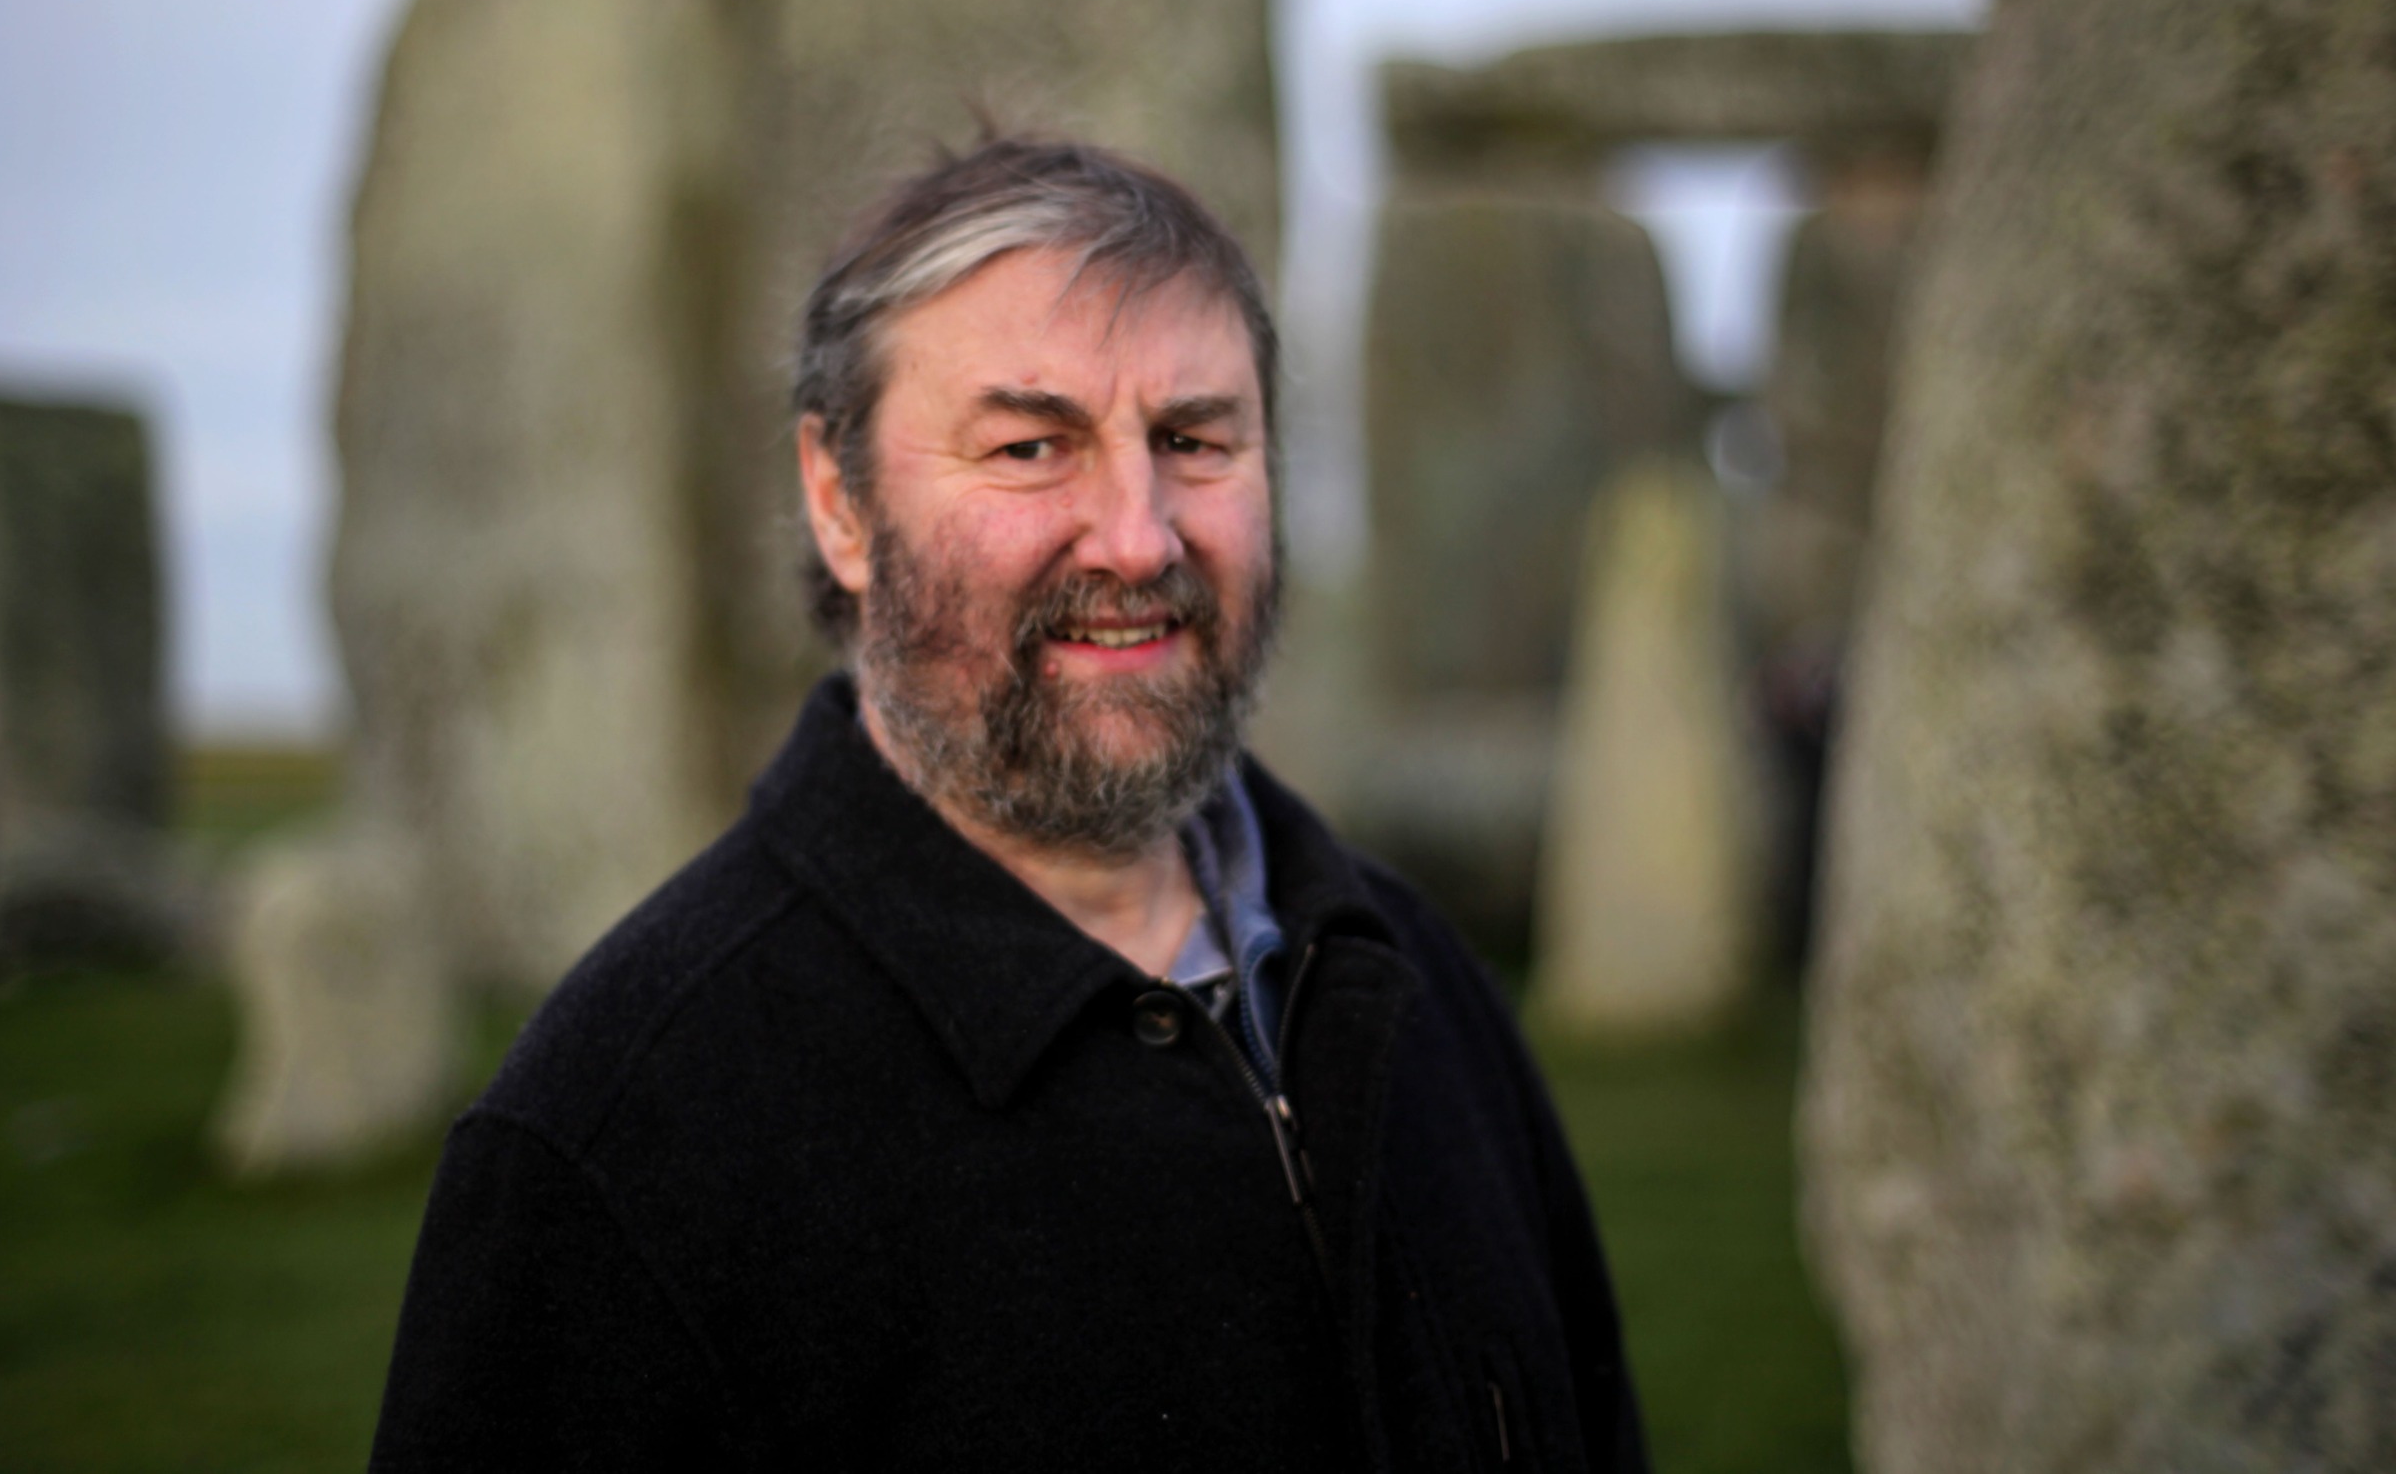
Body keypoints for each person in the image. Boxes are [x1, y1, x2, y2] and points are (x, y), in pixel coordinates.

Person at [369, 138, 1649, 1472]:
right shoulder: (625, 1137)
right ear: (840, 502)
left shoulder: (1411, 983)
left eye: (1196, 440)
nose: (1139, 536)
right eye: (1034, 446)